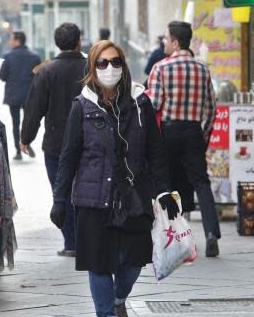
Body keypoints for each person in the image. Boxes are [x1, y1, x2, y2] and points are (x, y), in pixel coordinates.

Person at [50, 40, 179, 317]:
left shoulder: (140, 103)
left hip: (134, 196)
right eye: (103, 63)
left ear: (124, 65)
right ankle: (106, 313)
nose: (110, 68)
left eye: (116, 62)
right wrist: (60, 200)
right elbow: (68, 156)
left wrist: (165, 191)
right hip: (93, 200)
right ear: (93, 68)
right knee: (99, 264)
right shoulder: (82, 106)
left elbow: (155, 152)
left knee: (133, 262)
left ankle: (119, 298)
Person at [147, 21, 221, 257]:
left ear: (176, 42)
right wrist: (204, 134)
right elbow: (211, 108)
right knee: (201, 182)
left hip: (168, 133)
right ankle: (211, 234)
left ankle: (174, 239)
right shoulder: (202, 69)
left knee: (166, 184)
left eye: (166, 39)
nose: (163, 42)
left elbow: (155, 104)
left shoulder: (160, 68)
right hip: (192, 131)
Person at [20, 23, 86, 257]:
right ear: (79, 41)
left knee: (62, 192)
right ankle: (89, 239)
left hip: (56, 143)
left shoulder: (47, 72)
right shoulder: (92, 68)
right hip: (91, 140)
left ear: (57, 43)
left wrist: (25, 138)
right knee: (90, 189)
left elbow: (34, 107)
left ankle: (71, 243)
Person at [0, 31, 41, 160]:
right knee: (28, 121)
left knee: (15, 123)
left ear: (17, 40)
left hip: (14, 95)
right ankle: (26, 141)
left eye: (11, 39)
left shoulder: (9, 56)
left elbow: (2, 75)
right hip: (30, 94)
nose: (10, 41)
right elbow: (39, 75)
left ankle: (18, 151)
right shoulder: (34, 56)